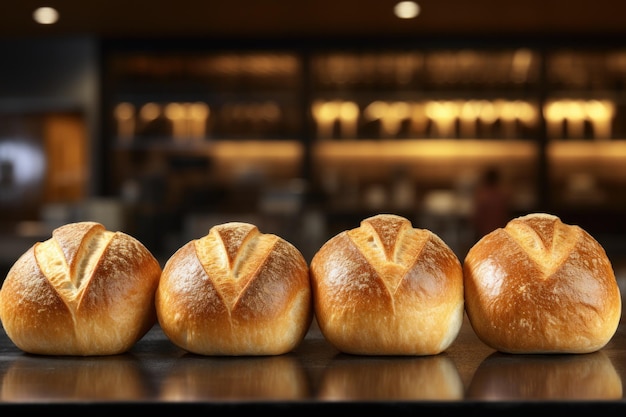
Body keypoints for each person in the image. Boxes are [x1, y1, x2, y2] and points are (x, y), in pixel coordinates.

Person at [471, 166, 510, 241]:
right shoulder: (503, 195)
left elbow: (476, 218)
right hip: (501, 233)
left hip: (484, 234)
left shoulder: (482, 195)